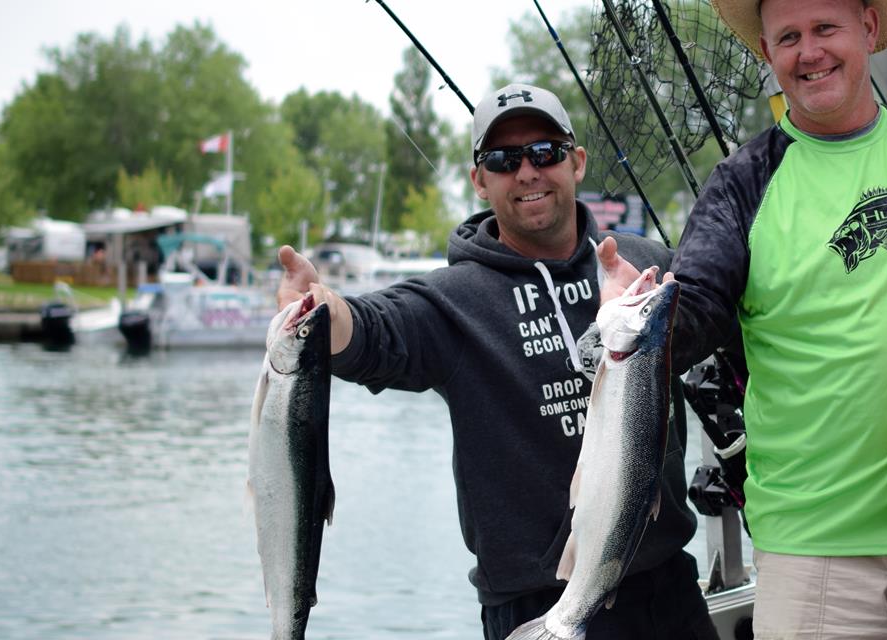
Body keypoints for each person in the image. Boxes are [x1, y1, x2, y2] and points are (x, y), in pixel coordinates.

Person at [596, 0, 887, 636]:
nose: (809, 51)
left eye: (826, 28)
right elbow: (699, 311)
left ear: (869, 30)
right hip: (818, 546)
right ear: (767, 53)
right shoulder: (742, 183)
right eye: (788, 37)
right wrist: (640, 318)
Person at [273, 83, 718, 640]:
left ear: (577, 163)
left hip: (667, 590)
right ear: (479, 180)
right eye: (504, 160)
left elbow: (717, 316)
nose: (528, 172)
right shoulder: (454, 300)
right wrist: (321, 310)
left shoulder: (645, 268)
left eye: (545, 152)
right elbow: (372, 332)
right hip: (534, 603)